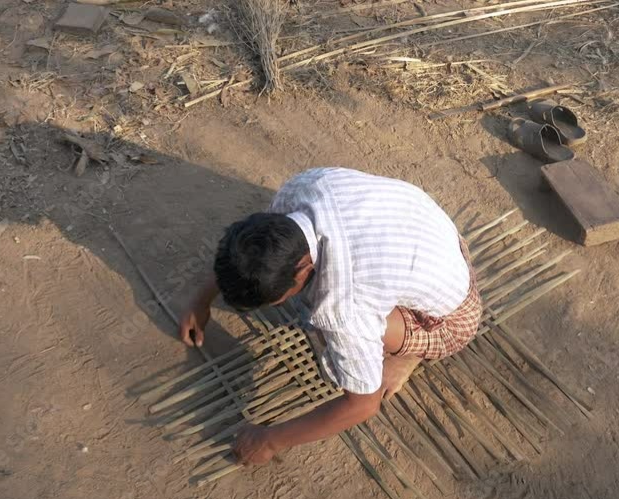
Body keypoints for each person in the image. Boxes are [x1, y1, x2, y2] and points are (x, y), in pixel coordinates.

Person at [179, 168, 482, 466]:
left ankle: (408, 353)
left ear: (303, 271)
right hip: (438, 235)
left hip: (455, 314)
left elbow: (363, 404)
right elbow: (249, 251)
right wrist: (201, 299)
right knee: (332, 309)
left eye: (275, 300)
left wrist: (270, 440)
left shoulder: (342, 304)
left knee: (325, 326)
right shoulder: (302, 188)